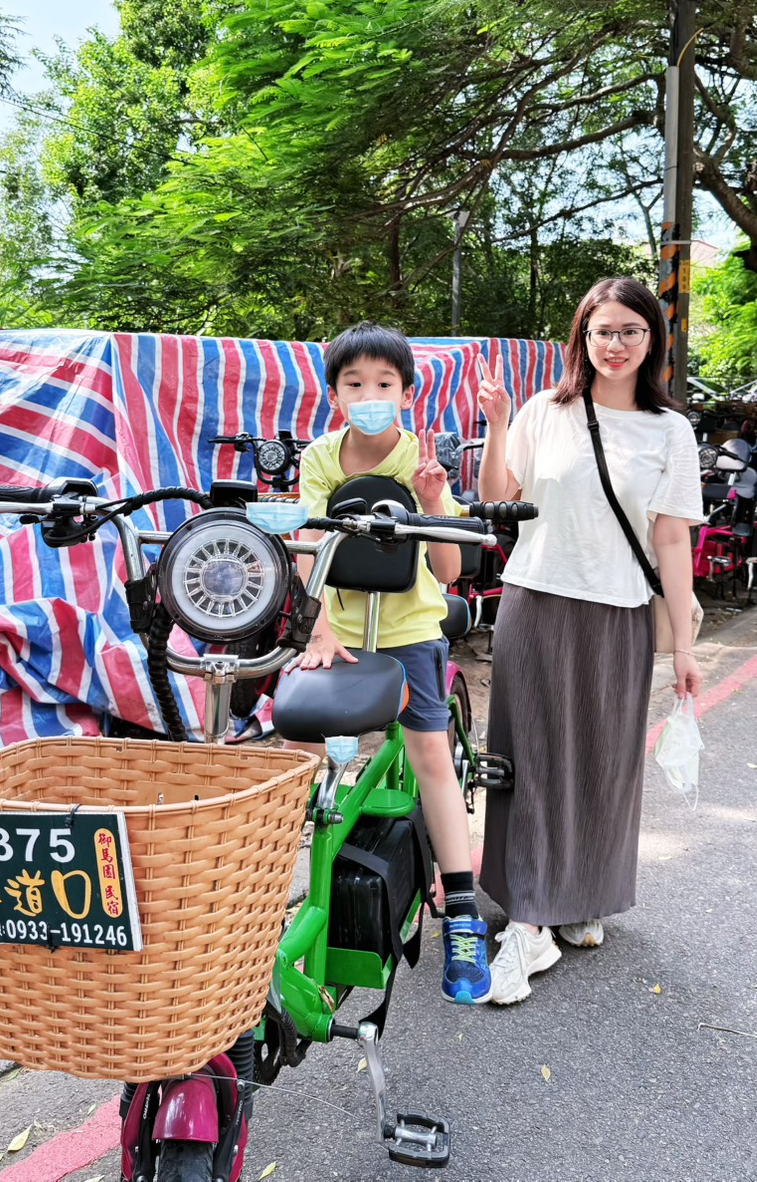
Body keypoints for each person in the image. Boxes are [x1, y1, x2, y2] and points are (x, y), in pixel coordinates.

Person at [475, 277, 703, 1005]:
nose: (615, 344)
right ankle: (530, 922)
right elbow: (497, 495)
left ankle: (580, 897)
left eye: (630, 331)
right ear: (582, 336)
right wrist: (498, 420)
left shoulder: (670, 431)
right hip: (536, 599)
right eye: (602, 331)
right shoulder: (547, 409)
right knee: (531, 760)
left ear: (652, 342)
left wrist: (688, 646)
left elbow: (669, 538)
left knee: (604, 763)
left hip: (620, 612)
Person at [289, 322, 492, 1004]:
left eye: (383, 383)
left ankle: (461, 913)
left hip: (409, 630)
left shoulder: (418, 460)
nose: (369, 394)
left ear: (406, 393)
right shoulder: (319, 457)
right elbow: (308, 546)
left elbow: (450, 566)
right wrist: (317, 628)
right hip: (339, 632)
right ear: (334, 392)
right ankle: (280, 899)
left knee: (431, 754)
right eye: (354, 383)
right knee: (301, 749)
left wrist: (434, 500)